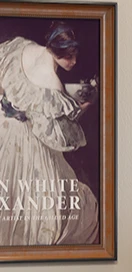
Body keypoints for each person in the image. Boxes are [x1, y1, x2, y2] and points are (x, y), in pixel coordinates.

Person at [0, 21, 99, 247]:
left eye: (75, 55)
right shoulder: (52, 83)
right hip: (23, 138)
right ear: (55, 50)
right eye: (69, 56)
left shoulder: (21, 47)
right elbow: (61, 132)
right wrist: (88, 103)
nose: (73, 62)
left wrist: (7, 103)